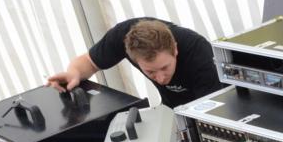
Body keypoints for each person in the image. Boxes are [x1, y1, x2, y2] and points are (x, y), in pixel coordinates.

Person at [47, 18, 221, 108]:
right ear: (132, 57)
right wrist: (74, 73)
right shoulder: (122, 37)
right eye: (150, 72)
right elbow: (89, 61)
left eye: (164, 67)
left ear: (175, 49)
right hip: (171, 107)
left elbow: (212, 109)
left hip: (206, 103)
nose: (161, 78)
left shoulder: (199, 52)